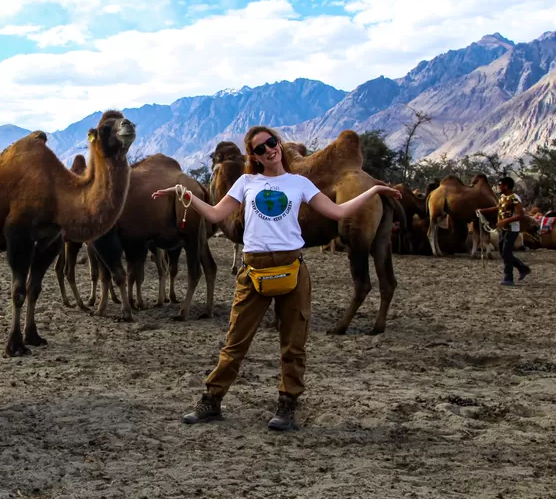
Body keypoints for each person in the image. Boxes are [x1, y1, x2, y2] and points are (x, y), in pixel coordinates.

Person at [151, 126, 401, 431]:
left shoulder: (300, 184)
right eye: (260, 148)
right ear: (253, 157)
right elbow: (217, 215)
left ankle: (287, 407)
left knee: (293, 345)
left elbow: (337, 212)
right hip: (253, 271)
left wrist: (373, 190)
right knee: (234, 343)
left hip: (292, 270)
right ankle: (211, 401)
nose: (269, 149)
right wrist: (184, 194)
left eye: (272, 142)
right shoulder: (245, 183)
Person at [477, 176, 530, 286]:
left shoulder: (514, 198)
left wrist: (505, 221)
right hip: (503, 229)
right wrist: (483, 211)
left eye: (500, 184)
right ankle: (522, 268)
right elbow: (498, 208)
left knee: (506, 253)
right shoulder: (502, 197)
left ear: (506, 186)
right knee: (503, 252)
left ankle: (508, 278)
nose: (499, 186)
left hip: (512, 229)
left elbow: (520, 215)